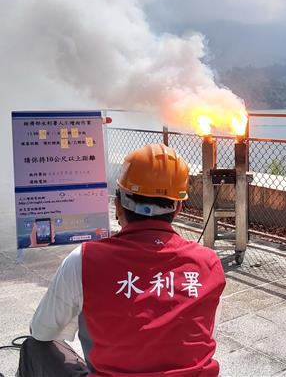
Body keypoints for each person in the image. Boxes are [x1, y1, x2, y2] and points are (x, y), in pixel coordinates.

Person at [18, 143, 226, 377]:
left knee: (35, 346)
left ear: (118, 205)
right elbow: (205, 335)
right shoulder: (208, 262)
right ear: (177, 208)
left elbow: (42, 331)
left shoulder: (84, 260)